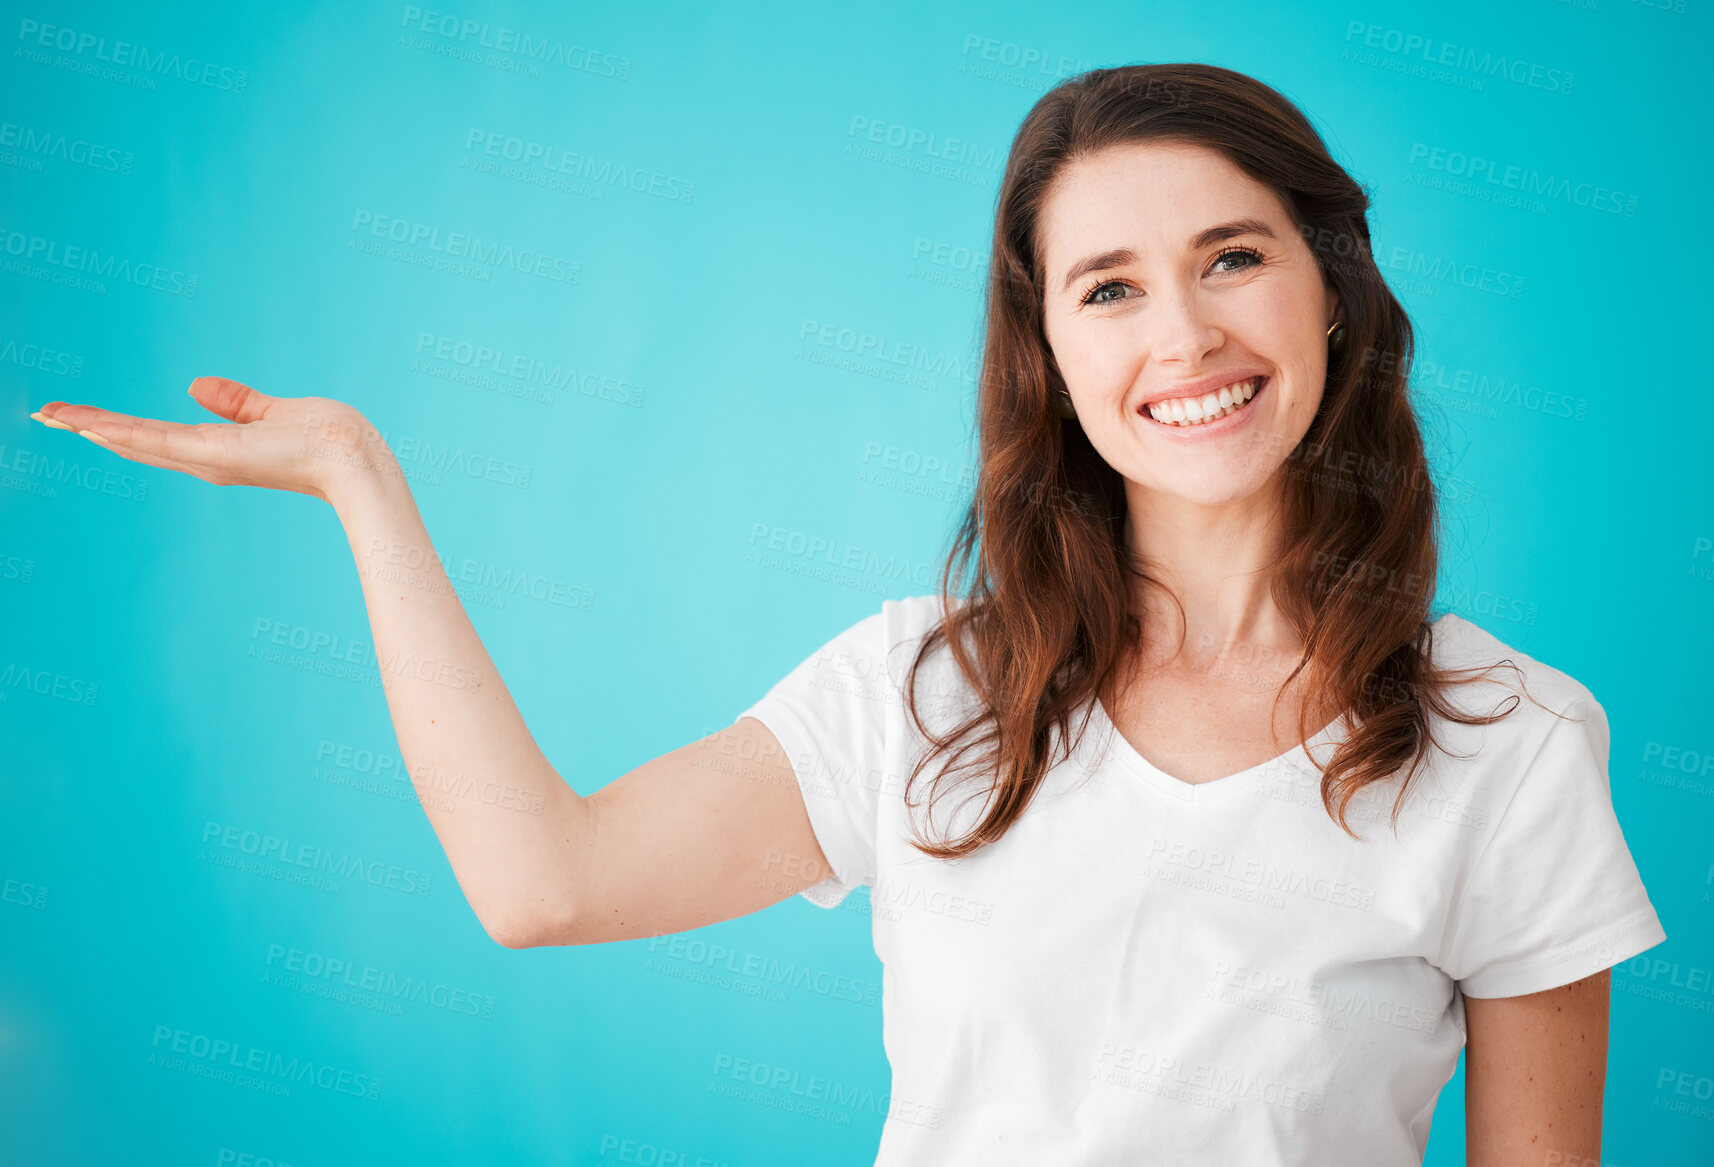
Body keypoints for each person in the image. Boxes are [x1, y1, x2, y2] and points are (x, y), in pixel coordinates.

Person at [32, 62, 1663, 1167]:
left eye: (1231, 258)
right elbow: (545, 881)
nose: (1182, 332)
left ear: (1329, 288)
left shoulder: (1509, 742)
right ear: (1049, 350)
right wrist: (358, 480)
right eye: (1106, 286)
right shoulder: (922, 689)